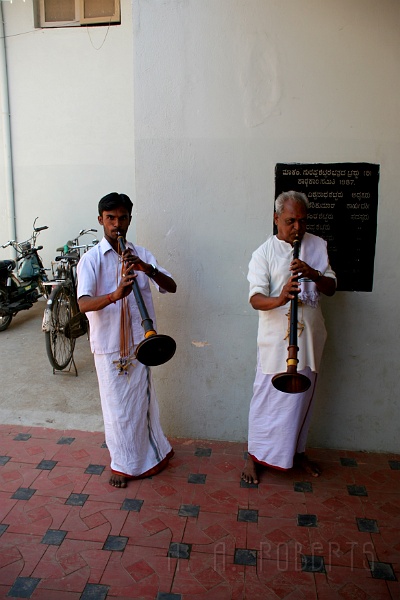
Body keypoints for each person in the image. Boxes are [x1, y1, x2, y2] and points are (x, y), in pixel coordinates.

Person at [77, 192, 177, 488]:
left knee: (142, 404)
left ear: (130, 220)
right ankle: (123, 464)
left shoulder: (142, 254)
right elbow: (83, 304)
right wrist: (113, 296)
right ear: (100, 221)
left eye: (122, 218)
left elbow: (170, 286)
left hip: (140, 343)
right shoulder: (90, 260)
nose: (117, 224)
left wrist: (148, 269)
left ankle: (153, 455)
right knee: (117, 408)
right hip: (108, 346)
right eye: (111, 219)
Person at [241, 191, 336, 485]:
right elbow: (255, 299)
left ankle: (297, 451)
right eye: (290, 221)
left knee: (301, 397)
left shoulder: (317, 245)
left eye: (302, 221)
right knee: (267, 399)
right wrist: (282, 297)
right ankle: (255, 456)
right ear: (276, 219)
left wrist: (313, 274)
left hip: (308, 339)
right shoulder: (263, 253)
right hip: (275, 342)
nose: (297, 228)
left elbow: (331, 287)